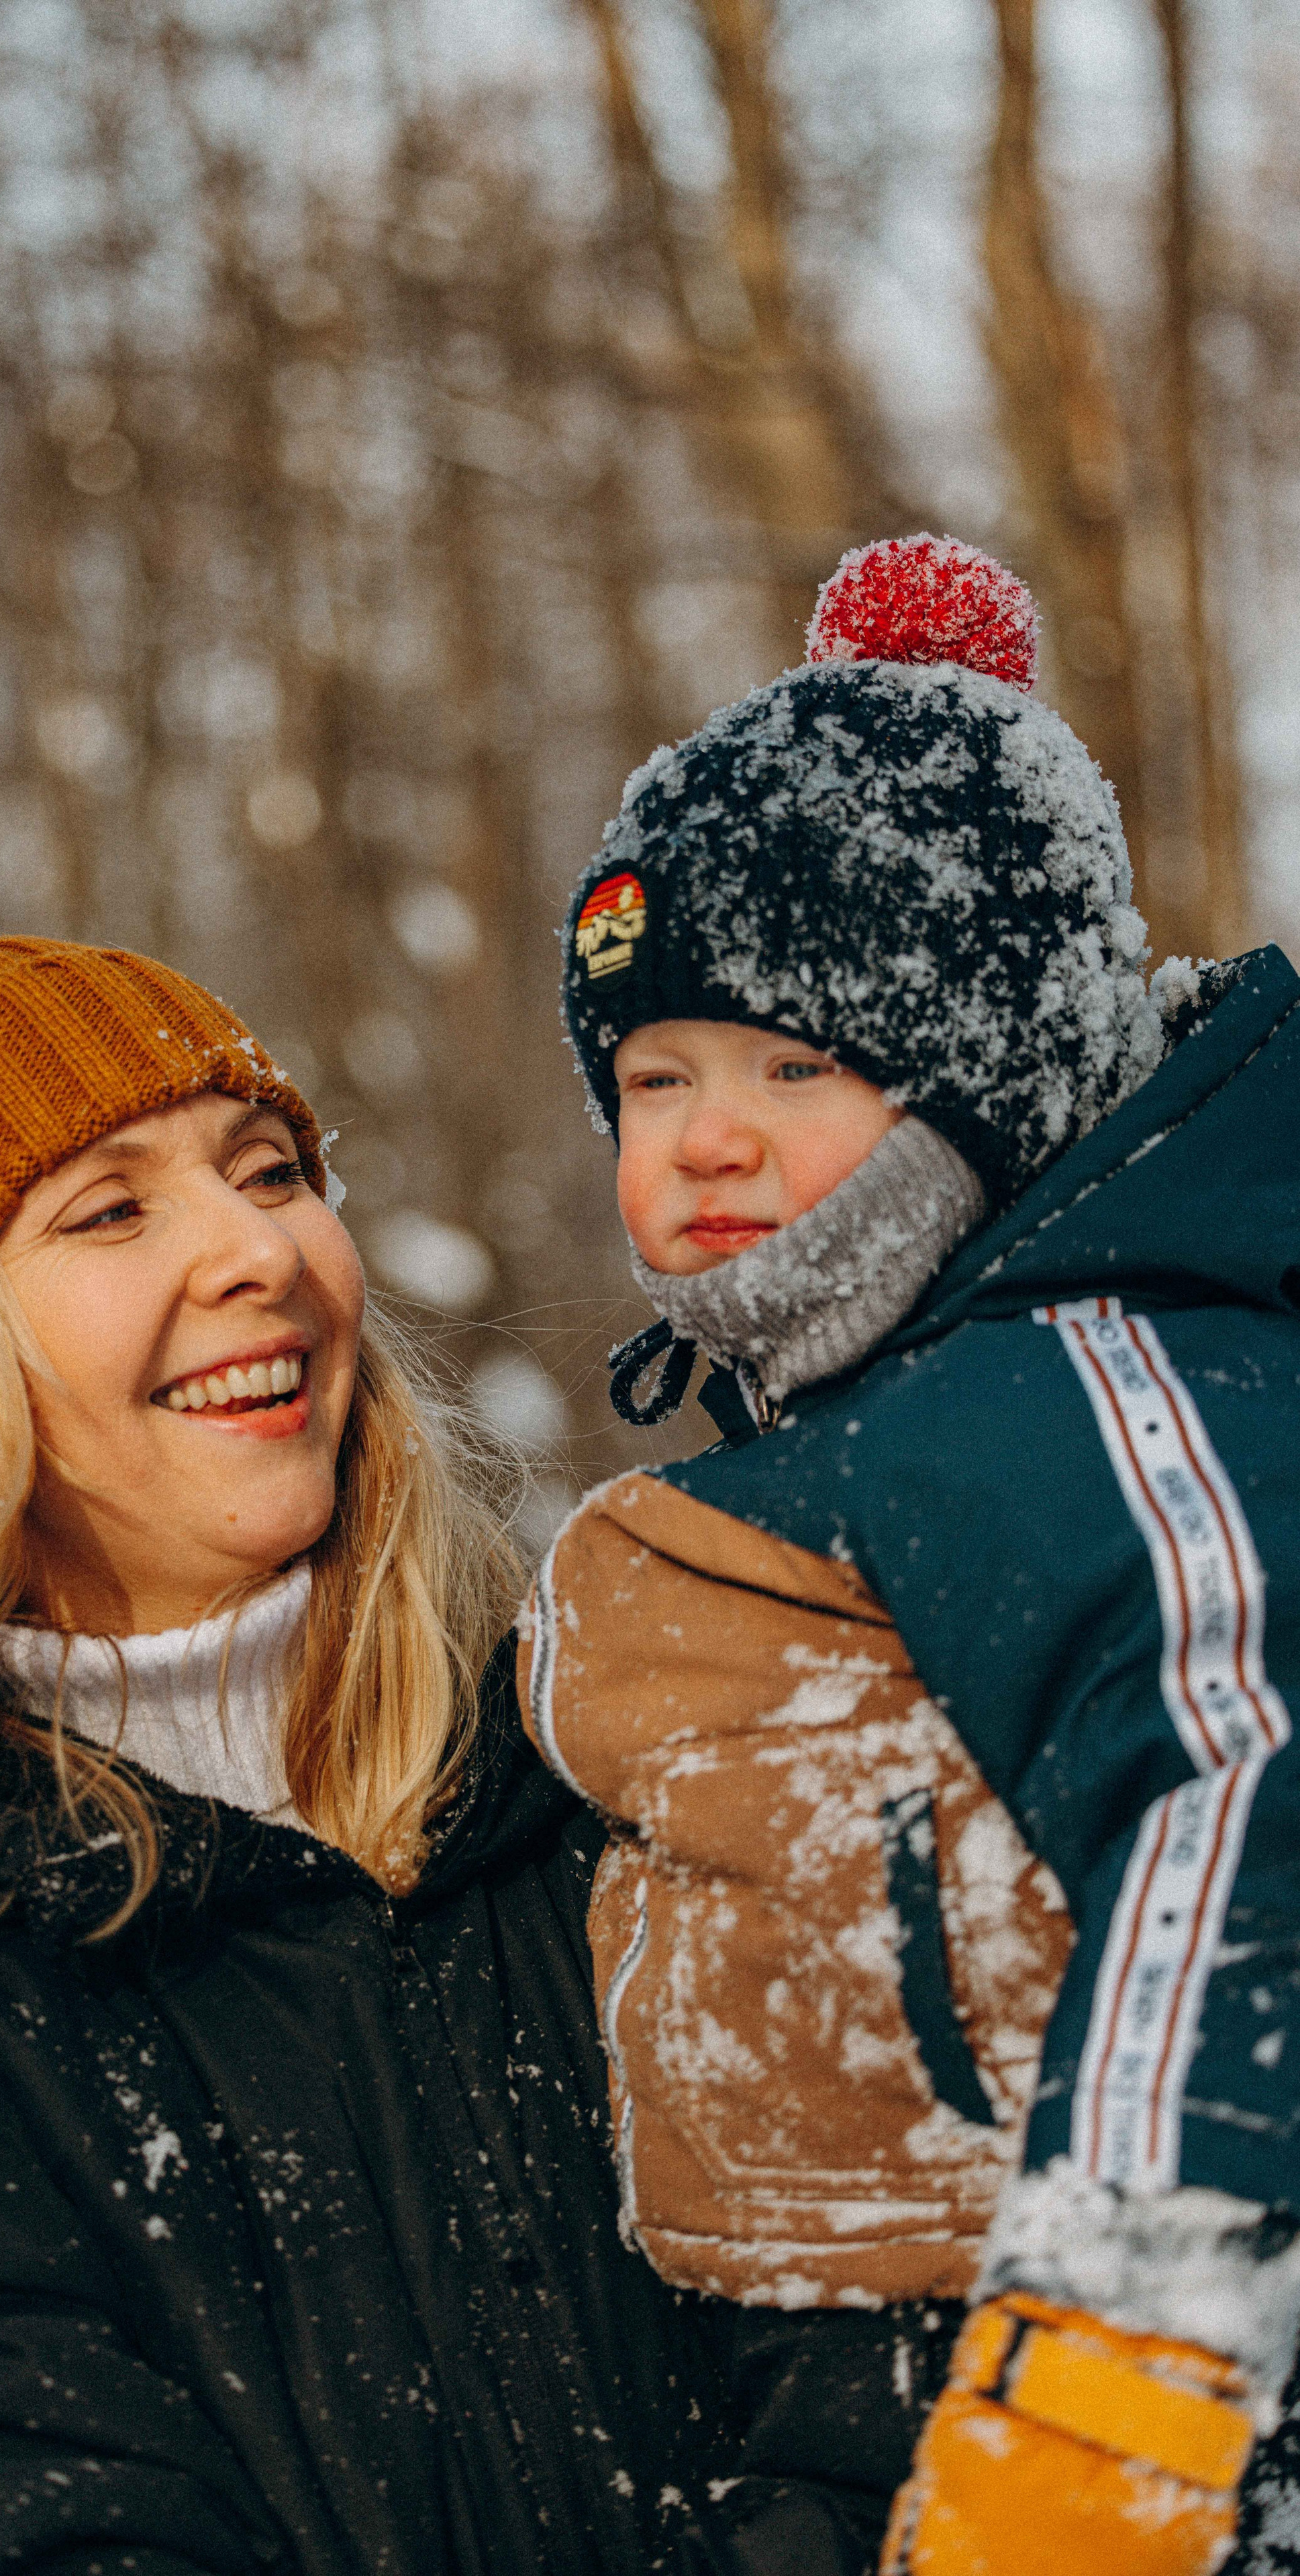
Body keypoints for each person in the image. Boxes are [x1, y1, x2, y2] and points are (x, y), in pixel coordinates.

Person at [0, 904, 896, 2576]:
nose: (256, 1249)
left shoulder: (614, 1769)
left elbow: (903, 2365)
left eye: (269, 1167)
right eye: (110, 1208)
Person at [521, 535, 1300, 2576]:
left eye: (794, 1066)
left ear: (995, 1083)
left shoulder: (1093, 1377)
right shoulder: (865, 1413)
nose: (698, 1135)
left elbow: (1239, 1780)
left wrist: (1117, 2379)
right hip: (831, 2390)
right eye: (655, 1072)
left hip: (1085, 2394)